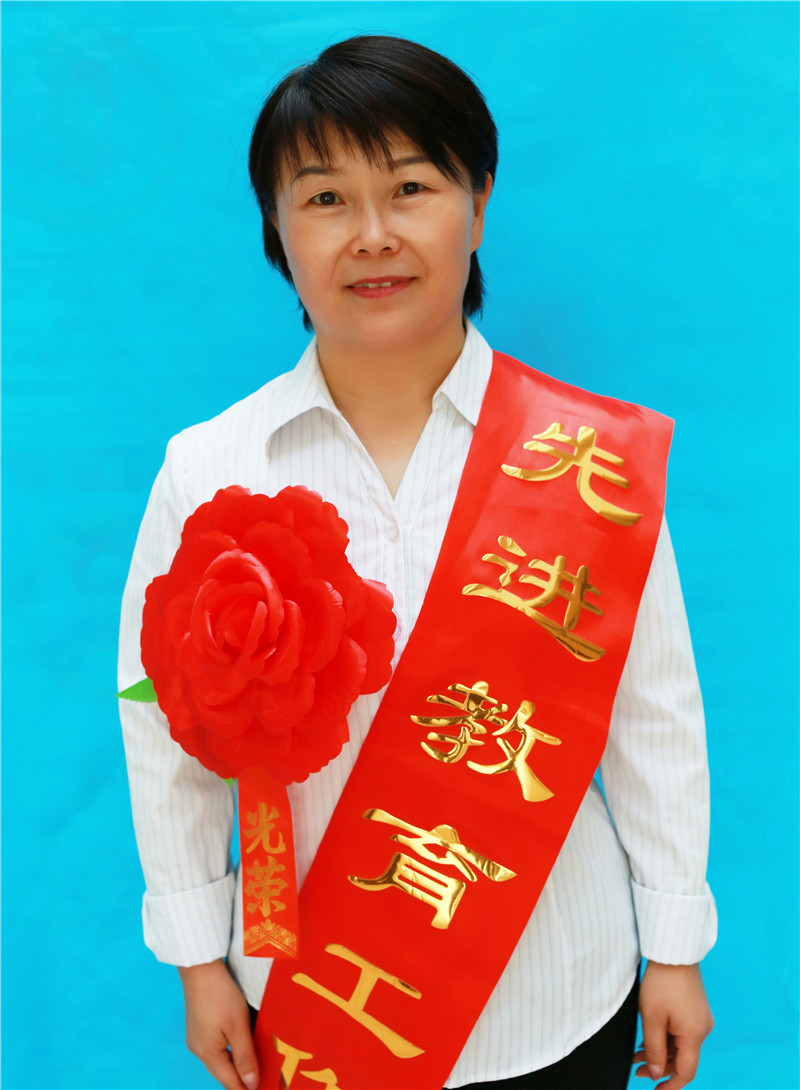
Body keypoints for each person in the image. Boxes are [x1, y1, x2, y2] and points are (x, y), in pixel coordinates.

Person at [119, 35, 716, 1090]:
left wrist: (673, 945)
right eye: (324, 199)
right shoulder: (208, 468)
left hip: (560, 986)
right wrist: (197, 959)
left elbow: (652, 712)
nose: (372, 235)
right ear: (276, 227)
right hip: (317, 998)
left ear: (476, 204)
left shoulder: (584, 466)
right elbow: (164, 732)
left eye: (409, 187)